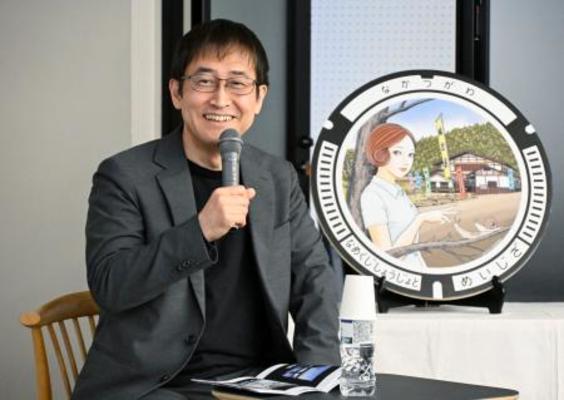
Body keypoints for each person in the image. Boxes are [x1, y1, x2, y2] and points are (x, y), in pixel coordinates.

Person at [72, 19, 340, 400]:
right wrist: (199, 231)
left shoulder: (277, 178)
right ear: (176, 93)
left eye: (237, 83)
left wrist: (315, 375)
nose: (220, 99)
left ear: (259, 98)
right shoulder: (125, 175)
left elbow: (315, 283)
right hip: (157, 386)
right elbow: (111, 285)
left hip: (257, 381)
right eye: (204, 81)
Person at [360, 123, 453, 271]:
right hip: (398, 276)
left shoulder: (398, 191)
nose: (406, 161)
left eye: (410, 155)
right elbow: (387, 258)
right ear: (379, 152)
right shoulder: (372, 195)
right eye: (397, 152)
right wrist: (420, 219)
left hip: (416, 269)